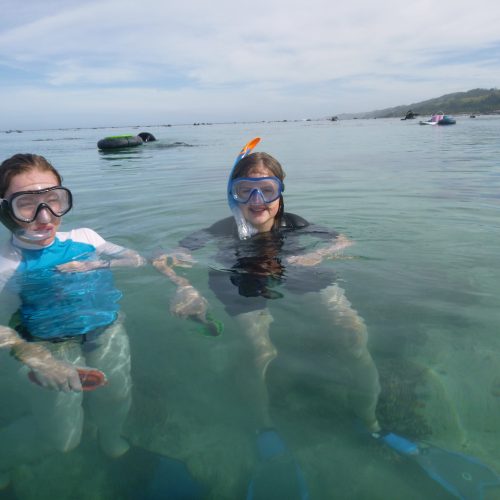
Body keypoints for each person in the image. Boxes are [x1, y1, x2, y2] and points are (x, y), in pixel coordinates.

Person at [152, 141, 382, 456]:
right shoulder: (221, 230)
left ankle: (369, 420)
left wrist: (318, 256)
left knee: (353, 332)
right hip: (237, 275)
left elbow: (344, 240)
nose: (257, 200)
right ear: (233, 194)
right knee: (260, 349)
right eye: (246, 189)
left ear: (280, 192)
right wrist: (183, 286)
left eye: (267, 189)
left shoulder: (295, 224)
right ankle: (264, 427)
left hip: (296, 268)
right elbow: (164, 257)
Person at [0, 153, 146, 488]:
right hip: (50, 345)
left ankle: (110, 438)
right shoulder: (5, 267)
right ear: (5, 209)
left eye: (53, 200)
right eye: (27, 204)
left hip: (105, 328)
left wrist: (96, 265)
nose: (45, 215)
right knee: (64, 440)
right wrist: (39, 359)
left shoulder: (86, 238)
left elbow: (136, 259)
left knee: (116, 394)